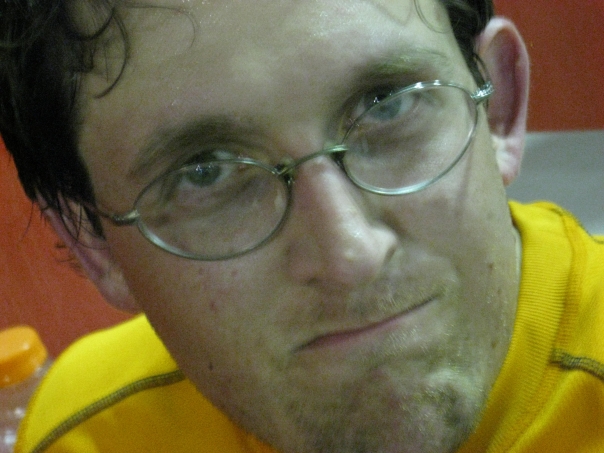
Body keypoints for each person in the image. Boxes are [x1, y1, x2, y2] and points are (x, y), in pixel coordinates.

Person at [1, 1, 603, 452]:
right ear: (94, 245)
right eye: (205, 172)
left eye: (388, 105)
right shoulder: (86, 437)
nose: (351, 255)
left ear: (497, 108)